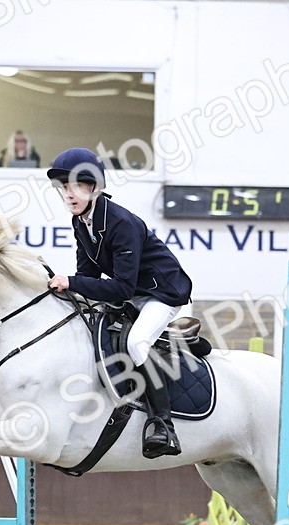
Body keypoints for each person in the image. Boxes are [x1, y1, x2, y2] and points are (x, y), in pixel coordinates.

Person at [46, 147, 193, 458]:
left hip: (161, 293)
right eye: (63, 188)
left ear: (94, 187)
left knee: (138, 342)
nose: (67, 195)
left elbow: (122, 288)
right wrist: (68, 289)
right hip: (133, 292)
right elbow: (87, 274)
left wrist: (71, 282)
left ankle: (163, 424)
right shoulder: (81, 222)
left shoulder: (120, 222)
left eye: (74, 186)